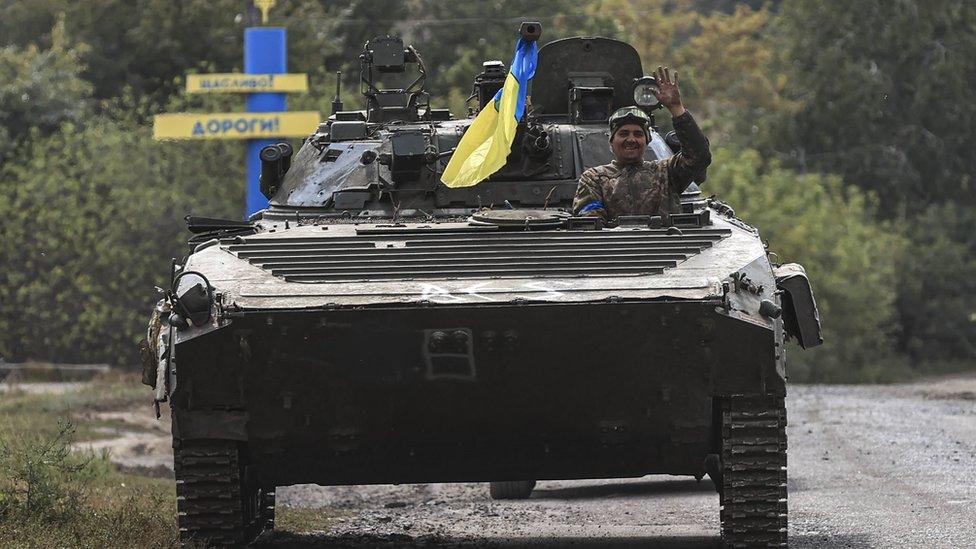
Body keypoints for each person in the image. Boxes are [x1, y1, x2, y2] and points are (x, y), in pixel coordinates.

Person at [572, 66, 711, 223]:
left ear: (647, 141)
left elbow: (699, 156)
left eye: (638, 134)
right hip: (614, 246)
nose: (631, 139)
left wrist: (676, 108)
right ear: (611, 141)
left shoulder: (665, 173)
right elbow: (590, 223)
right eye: (623, 133)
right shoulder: (595, 178)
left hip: (664, 246)